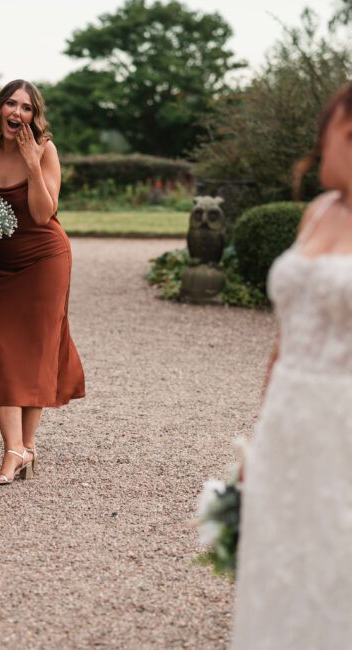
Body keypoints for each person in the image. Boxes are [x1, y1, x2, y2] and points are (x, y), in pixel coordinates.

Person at [231, 82, 352, 648]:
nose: (322, 145)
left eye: (336, 131)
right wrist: (260, 440)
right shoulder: (320, 210)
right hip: (289, 419)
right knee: (279, 573)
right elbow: (283, 343)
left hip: (344, 424)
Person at [0, 80, 85, 485]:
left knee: (35, 350)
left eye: (27, 108)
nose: (18, 113)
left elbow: (40, 214)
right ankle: (19, 449)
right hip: (2, 262)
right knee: (0, 347)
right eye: (11, 105)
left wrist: (33, 163)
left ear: (35, 115)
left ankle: (20, 448)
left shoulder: (45, 149)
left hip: (44, 257)